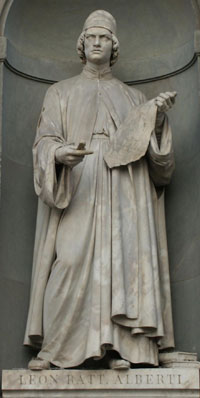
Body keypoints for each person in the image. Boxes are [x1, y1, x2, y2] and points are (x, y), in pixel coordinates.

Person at [24, 10, 176, 370]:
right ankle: (56, 347)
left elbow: (158, 165)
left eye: (103, 37)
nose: (96, 42)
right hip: (79, 183)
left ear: (113, 46)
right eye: (90, 36)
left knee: (121, 263)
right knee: (71, 259)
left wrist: (156, 121)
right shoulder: (59, 92)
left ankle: (118, 348)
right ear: (81, 44)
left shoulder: (133, 96)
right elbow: (43, 141)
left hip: (124, 188)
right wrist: (59, 153)